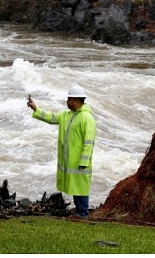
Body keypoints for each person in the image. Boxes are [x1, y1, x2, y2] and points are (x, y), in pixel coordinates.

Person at [27, 86, 96, 219]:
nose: (67, 101)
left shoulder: (87, 118)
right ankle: (79, 213)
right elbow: (51, 118)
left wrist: (84, 161)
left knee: (81, 188)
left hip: (80, 161)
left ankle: (82, 214)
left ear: (75, 100)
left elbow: (89, 142)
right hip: (70, 160)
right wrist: (36, 108)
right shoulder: (66, 115)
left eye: (68, 99)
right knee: (76, 186)